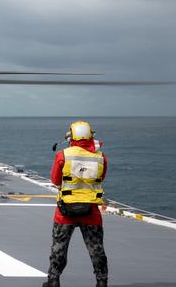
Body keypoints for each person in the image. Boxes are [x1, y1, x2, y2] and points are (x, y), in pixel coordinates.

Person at [43, 121, 108, 287]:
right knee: (96, 249)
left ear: (71, 136)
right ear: (90, 136)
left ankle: (53, 280)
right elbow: (101, 178)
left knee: (59, 247)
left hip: (66, 210)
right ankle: (101, 282)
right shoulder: (101, 157)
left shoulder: (63, 155)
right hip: (91, 211)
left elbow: (55, 180)